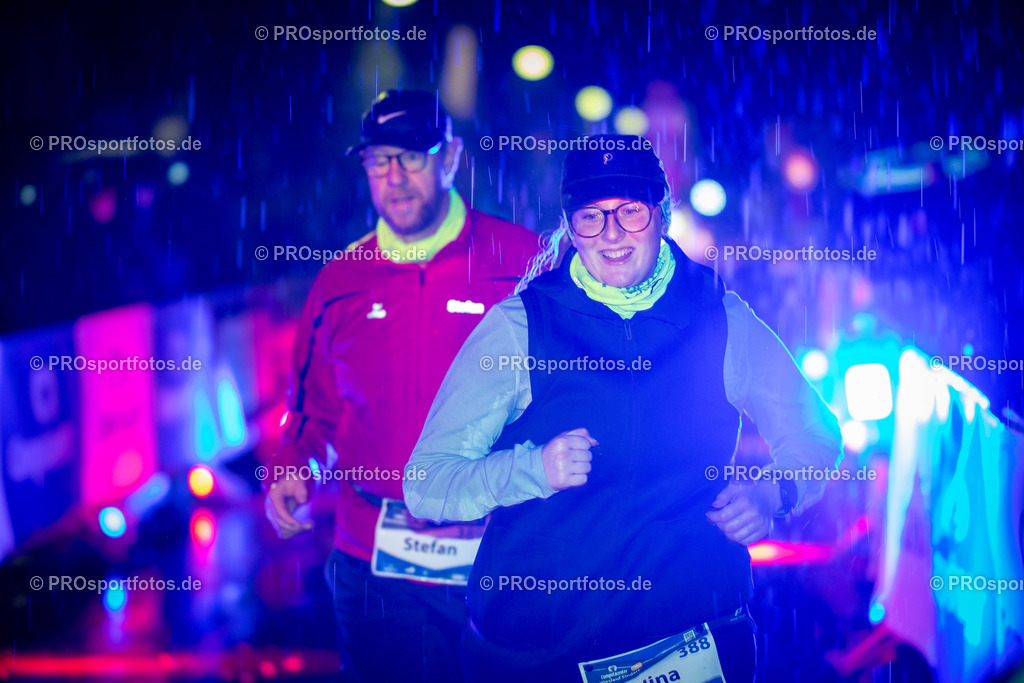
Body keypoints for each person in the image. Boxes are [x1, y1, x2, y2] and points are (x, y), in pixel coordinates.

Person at [404, 134, 843, 682]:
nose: (611, 234)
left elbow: (815, 432)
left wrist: (772, 491)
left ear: (661, 214)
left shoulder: (719, 317)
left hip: (685, 641)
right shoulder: (520, 327)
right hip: (541, 653)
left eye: (630, 212)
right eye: (591, 216)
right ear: (570, 226)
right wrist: (529, 469)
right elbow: (426, 482)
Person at [263, 89, 540, 683]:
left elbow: (570, 392)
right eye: (377, 159)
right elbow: (313, 414)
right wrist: (295, 469)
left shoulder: (520, 263)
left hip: (501, 556)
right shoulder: (341, 281)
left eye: (412, 156)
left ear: (451, 157)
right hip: (375, 562)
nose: (395, 176)